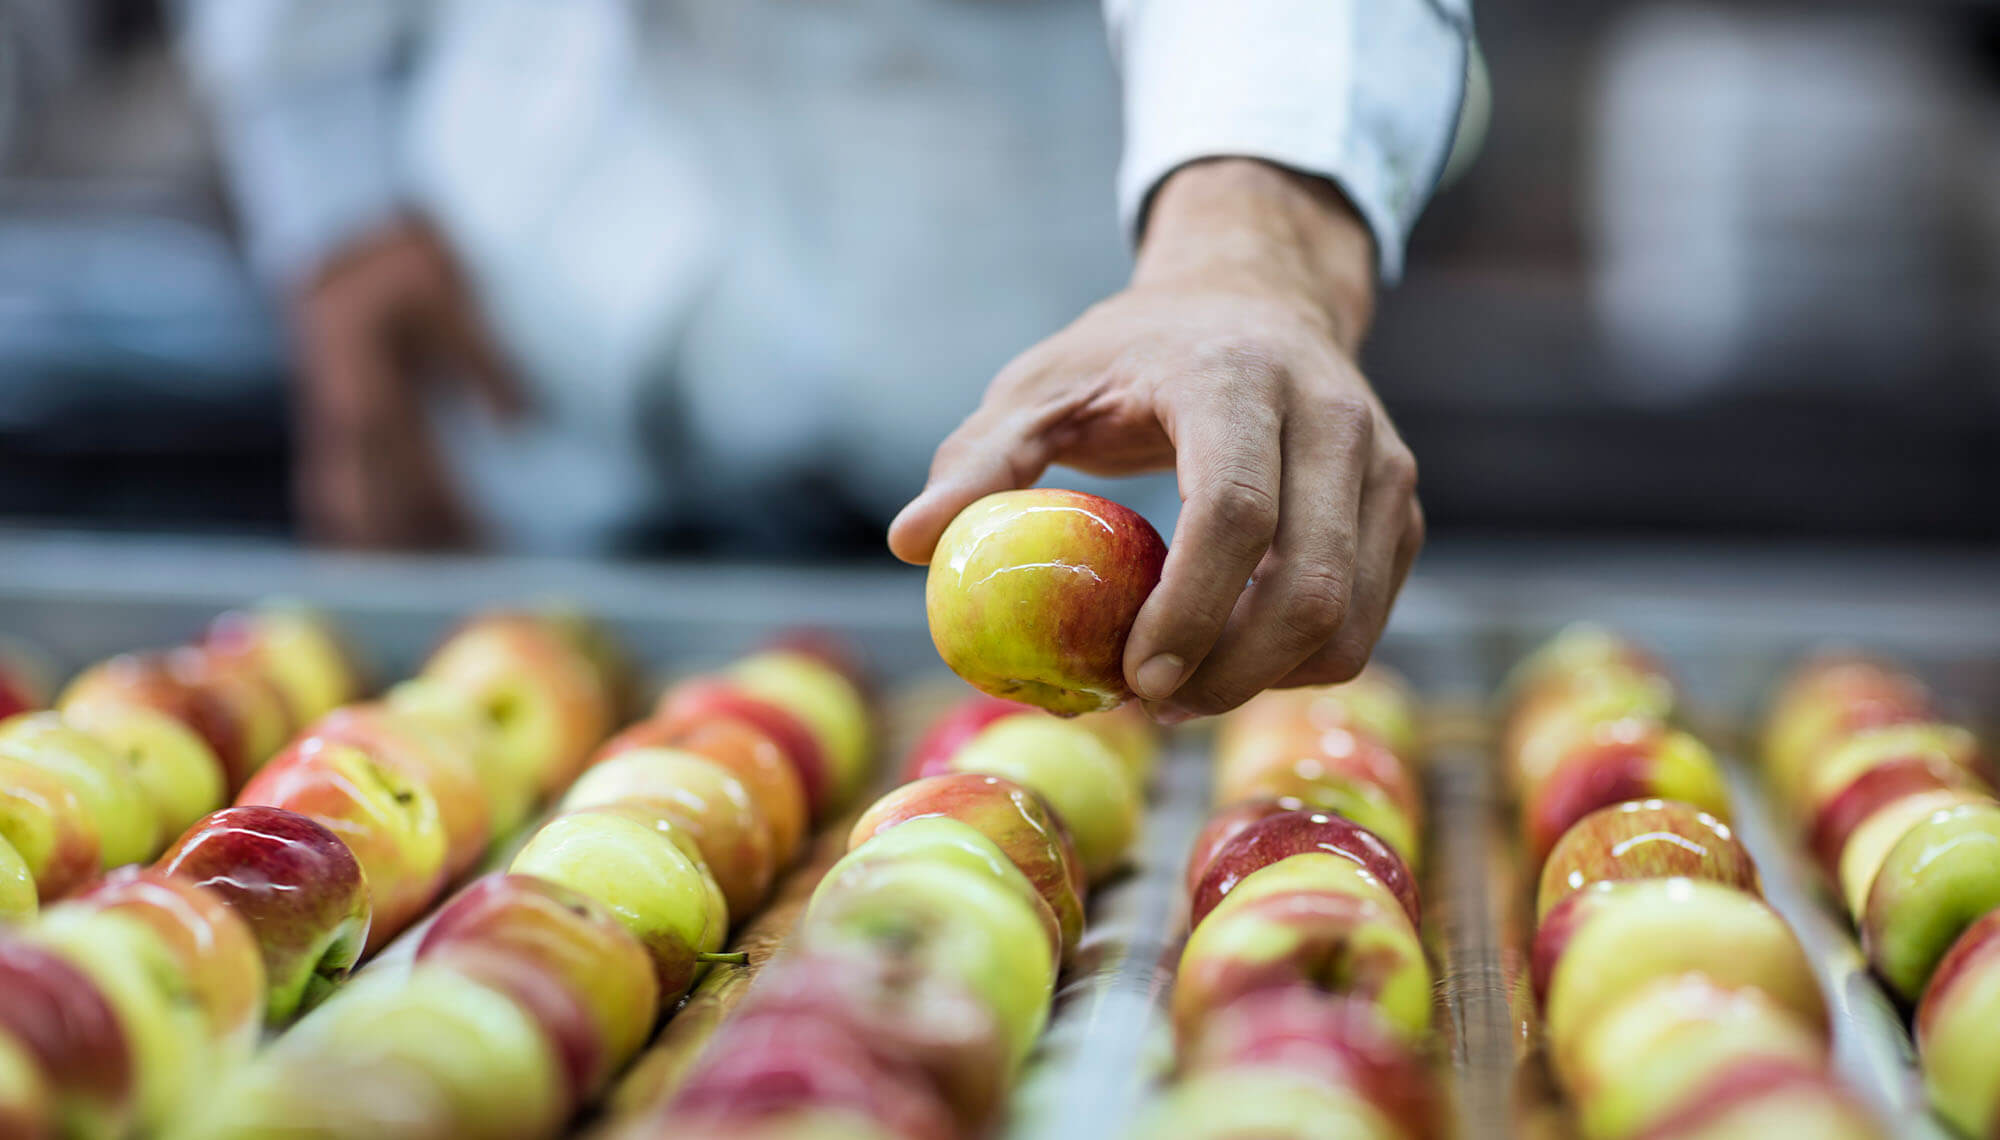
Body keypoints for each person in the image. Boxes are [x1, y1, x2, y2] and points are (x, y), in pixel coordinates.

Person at [178, 0, 1479, 722]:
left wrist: (1245, 239)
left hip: (1084, 366)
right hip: (549, 324)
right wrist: (328, 174)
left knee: (1154, 701)